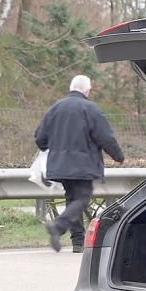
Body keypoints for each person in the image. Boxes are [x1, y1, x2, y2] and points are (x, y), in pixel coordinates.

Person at [35, 75, 124, 253]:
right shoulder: (90, 109)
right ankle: (58, 226)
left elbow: (40, 138)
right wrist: (118, 156)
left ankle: (78, 242)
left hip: (60, 165)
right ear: (87, 90)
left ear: (71, 87)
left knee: (72, 199)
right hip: (83, 165)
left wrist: (56, 148)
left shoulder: (55, 108)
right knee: (82, 198)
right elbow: (104, 136)